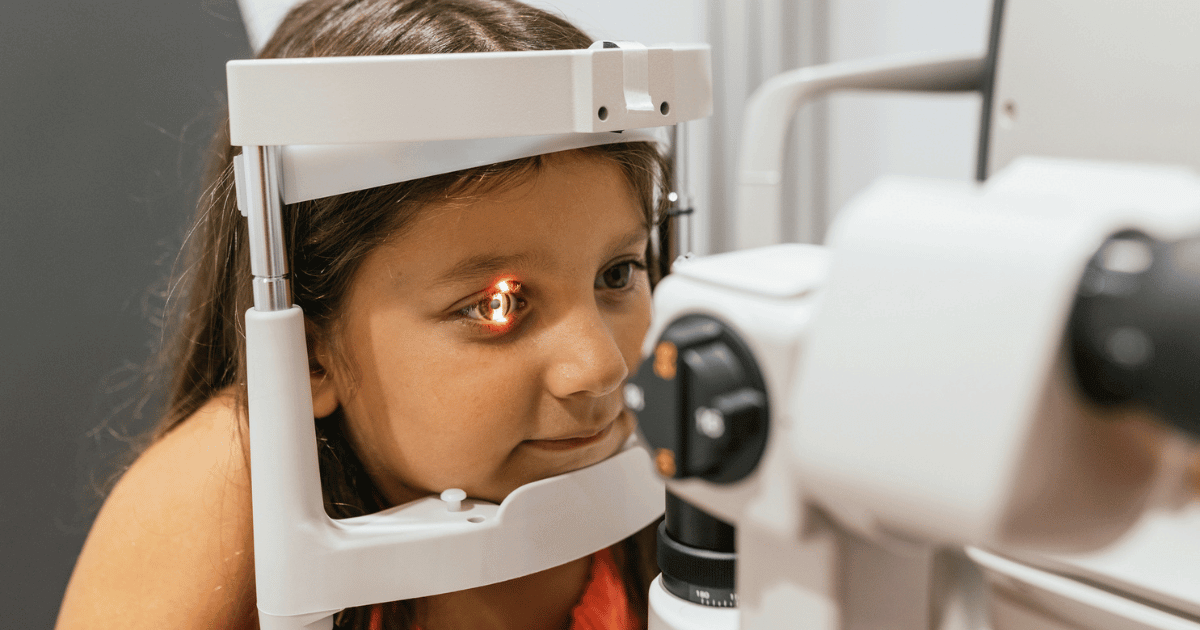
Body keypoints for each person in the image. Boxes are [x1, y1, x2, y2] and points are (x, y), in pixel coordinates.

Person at [55, 1, 671, 628]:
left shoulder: (674, 460)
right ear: (310, 355)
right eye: (497, 303)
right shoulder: (226, 488)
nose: (600, 368)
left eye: (617, 274)